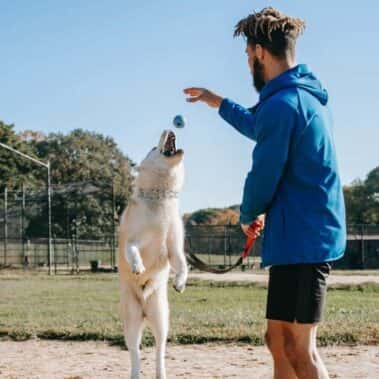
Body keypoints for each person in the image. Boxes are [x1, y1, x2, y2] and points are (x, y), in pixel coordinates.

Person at [184, 7, 346, 379]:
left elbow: (264, 172)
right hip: (297, 237)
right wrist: (218, 102)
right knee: (277, 340)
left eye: (246, 55)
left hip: (305, 240)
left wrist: (248, 213)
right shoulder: (298, 98)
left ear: (258, 51)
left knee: (299, 349)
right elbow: (261, 124)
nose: (247, 64)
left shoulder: (285, 103)